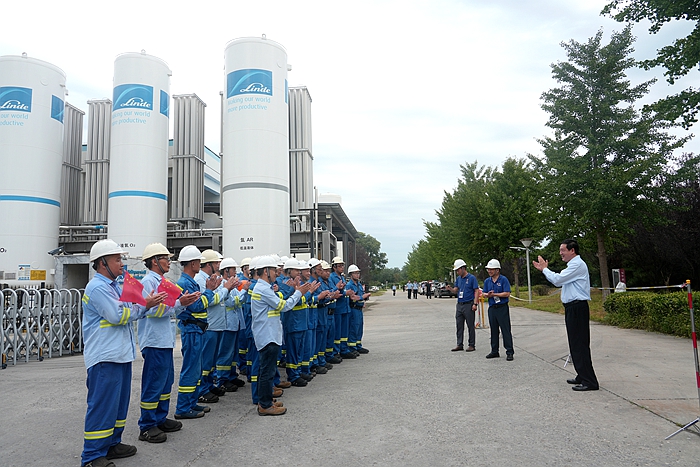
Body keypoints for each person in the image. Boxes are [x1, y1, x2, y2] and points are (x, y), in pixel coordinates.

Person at [80, 239, 166, 467]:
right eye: (117, 259)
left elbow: (131, 309)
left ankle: (112, 444)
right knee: (102, 405)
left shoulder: (114, 286)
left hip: (119, 354)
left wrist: (141, 306)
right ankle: (92, 456)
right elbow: (118, 315)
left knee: (118, 405)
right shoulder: (97, 287)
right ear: (102, 263)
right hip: (104, 356)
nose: (122, 263)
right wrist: (145, 305)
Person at [137, 243, 199, 444]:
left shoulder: (163, 281)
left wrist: (183, 303)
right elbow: (152, 310)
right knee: (154, 383)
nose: (169, 262)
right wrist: (180, 303)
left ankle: (160, 418)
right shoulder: (148, 282)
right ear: (154, 261)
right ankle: (147, 426)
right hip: (154, 341)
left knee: (165, 383)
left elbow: (170, 308)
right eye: (166, 258)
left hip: (164, 340)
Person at [533, 239, 599, 391]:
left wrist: (545, 269)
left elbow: (557, 280)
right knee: (575, 343)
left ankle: (590, 381)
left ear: (572, 250)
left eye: (563, 250)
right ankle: (582, 375)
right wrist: (544, 270)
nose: (560, 253)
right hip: (572, 308)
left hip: (577, 308)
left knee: (580, 344)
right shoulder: (572, 265)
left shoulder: (577, 265)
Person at [251, 256, 313, 415]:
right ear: (266, 271)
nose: (276, 273)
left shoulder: (264, 287)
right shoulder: (263, 289)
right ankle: (265, 405)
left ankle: (265, 400)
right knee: (267, 372)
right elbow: (283, 306)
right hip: (268, 335)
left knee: (267, 370)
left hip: (269, 334)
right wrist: (298, 293)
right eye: (273, 270)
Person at [174, 245, 220, 420]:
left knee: (196, 370)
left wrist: (208, 292)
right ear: (192, 263)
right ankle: (183, 407)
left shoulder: (191, 281)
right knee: (190, 369)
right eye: (198, 262)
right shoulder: (184, 283)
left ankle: (192, 402)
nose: (200, 265)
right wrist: (209, 291)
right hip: (192, 330)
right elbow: (197, 306)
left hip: (197, 330)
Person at [482, 259, 514, 361]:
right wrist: (487, 295)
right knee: (494, 330)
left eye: (491, 269)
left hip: (502, 308)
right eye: (488, 269)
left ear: (497, 270)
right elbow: (484, 293)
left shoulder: (503, 280)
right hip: (492, 308)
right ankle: (494, 351)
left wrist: (495, 294)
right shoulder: (487, 281)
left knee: (505, 330)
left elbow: (507, 293)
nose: (489, 271)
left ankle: (509, 351)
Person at [448, 259, 480, 352]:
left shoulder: (471, 278)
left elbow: (476, 290)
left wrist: (475, 303)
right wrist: (450, 289)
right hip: (460, 304)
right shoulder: (458, 279)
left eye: (458, 270)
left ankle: (471, 344)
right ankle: (459, 344)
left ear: (463, 268)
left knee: (470, 325)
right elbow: (456, 290)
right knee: (459, 325)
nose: (457, 272)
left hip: (468, 304)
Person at [346, 264, 371, 354]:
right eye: (355, 273)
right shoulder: (349, 285)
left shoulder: (359, 284)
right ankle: (352, 347)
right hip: (354, 309)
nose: (357, 275)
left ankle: (358, 345)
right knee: (354, 328)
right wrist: (362, 297)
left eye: (358, 273)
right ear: (351, 274)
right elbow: (353, 298)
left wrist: (363, 300)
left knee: (359, 328)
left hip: (359, 309)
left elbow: (360, 295)